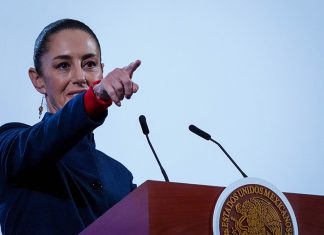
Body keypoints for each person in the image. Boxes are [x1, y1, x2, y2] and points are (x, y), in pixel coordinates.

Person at [0, 19, 140, 235]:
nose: (80, 77)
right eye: (63, 66)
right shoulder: (12, 144)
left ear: (102, 72)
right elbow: (46, 139)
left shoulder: (121, 177)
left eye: (90, 64)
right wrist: (95, 98)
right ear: (38, 79)